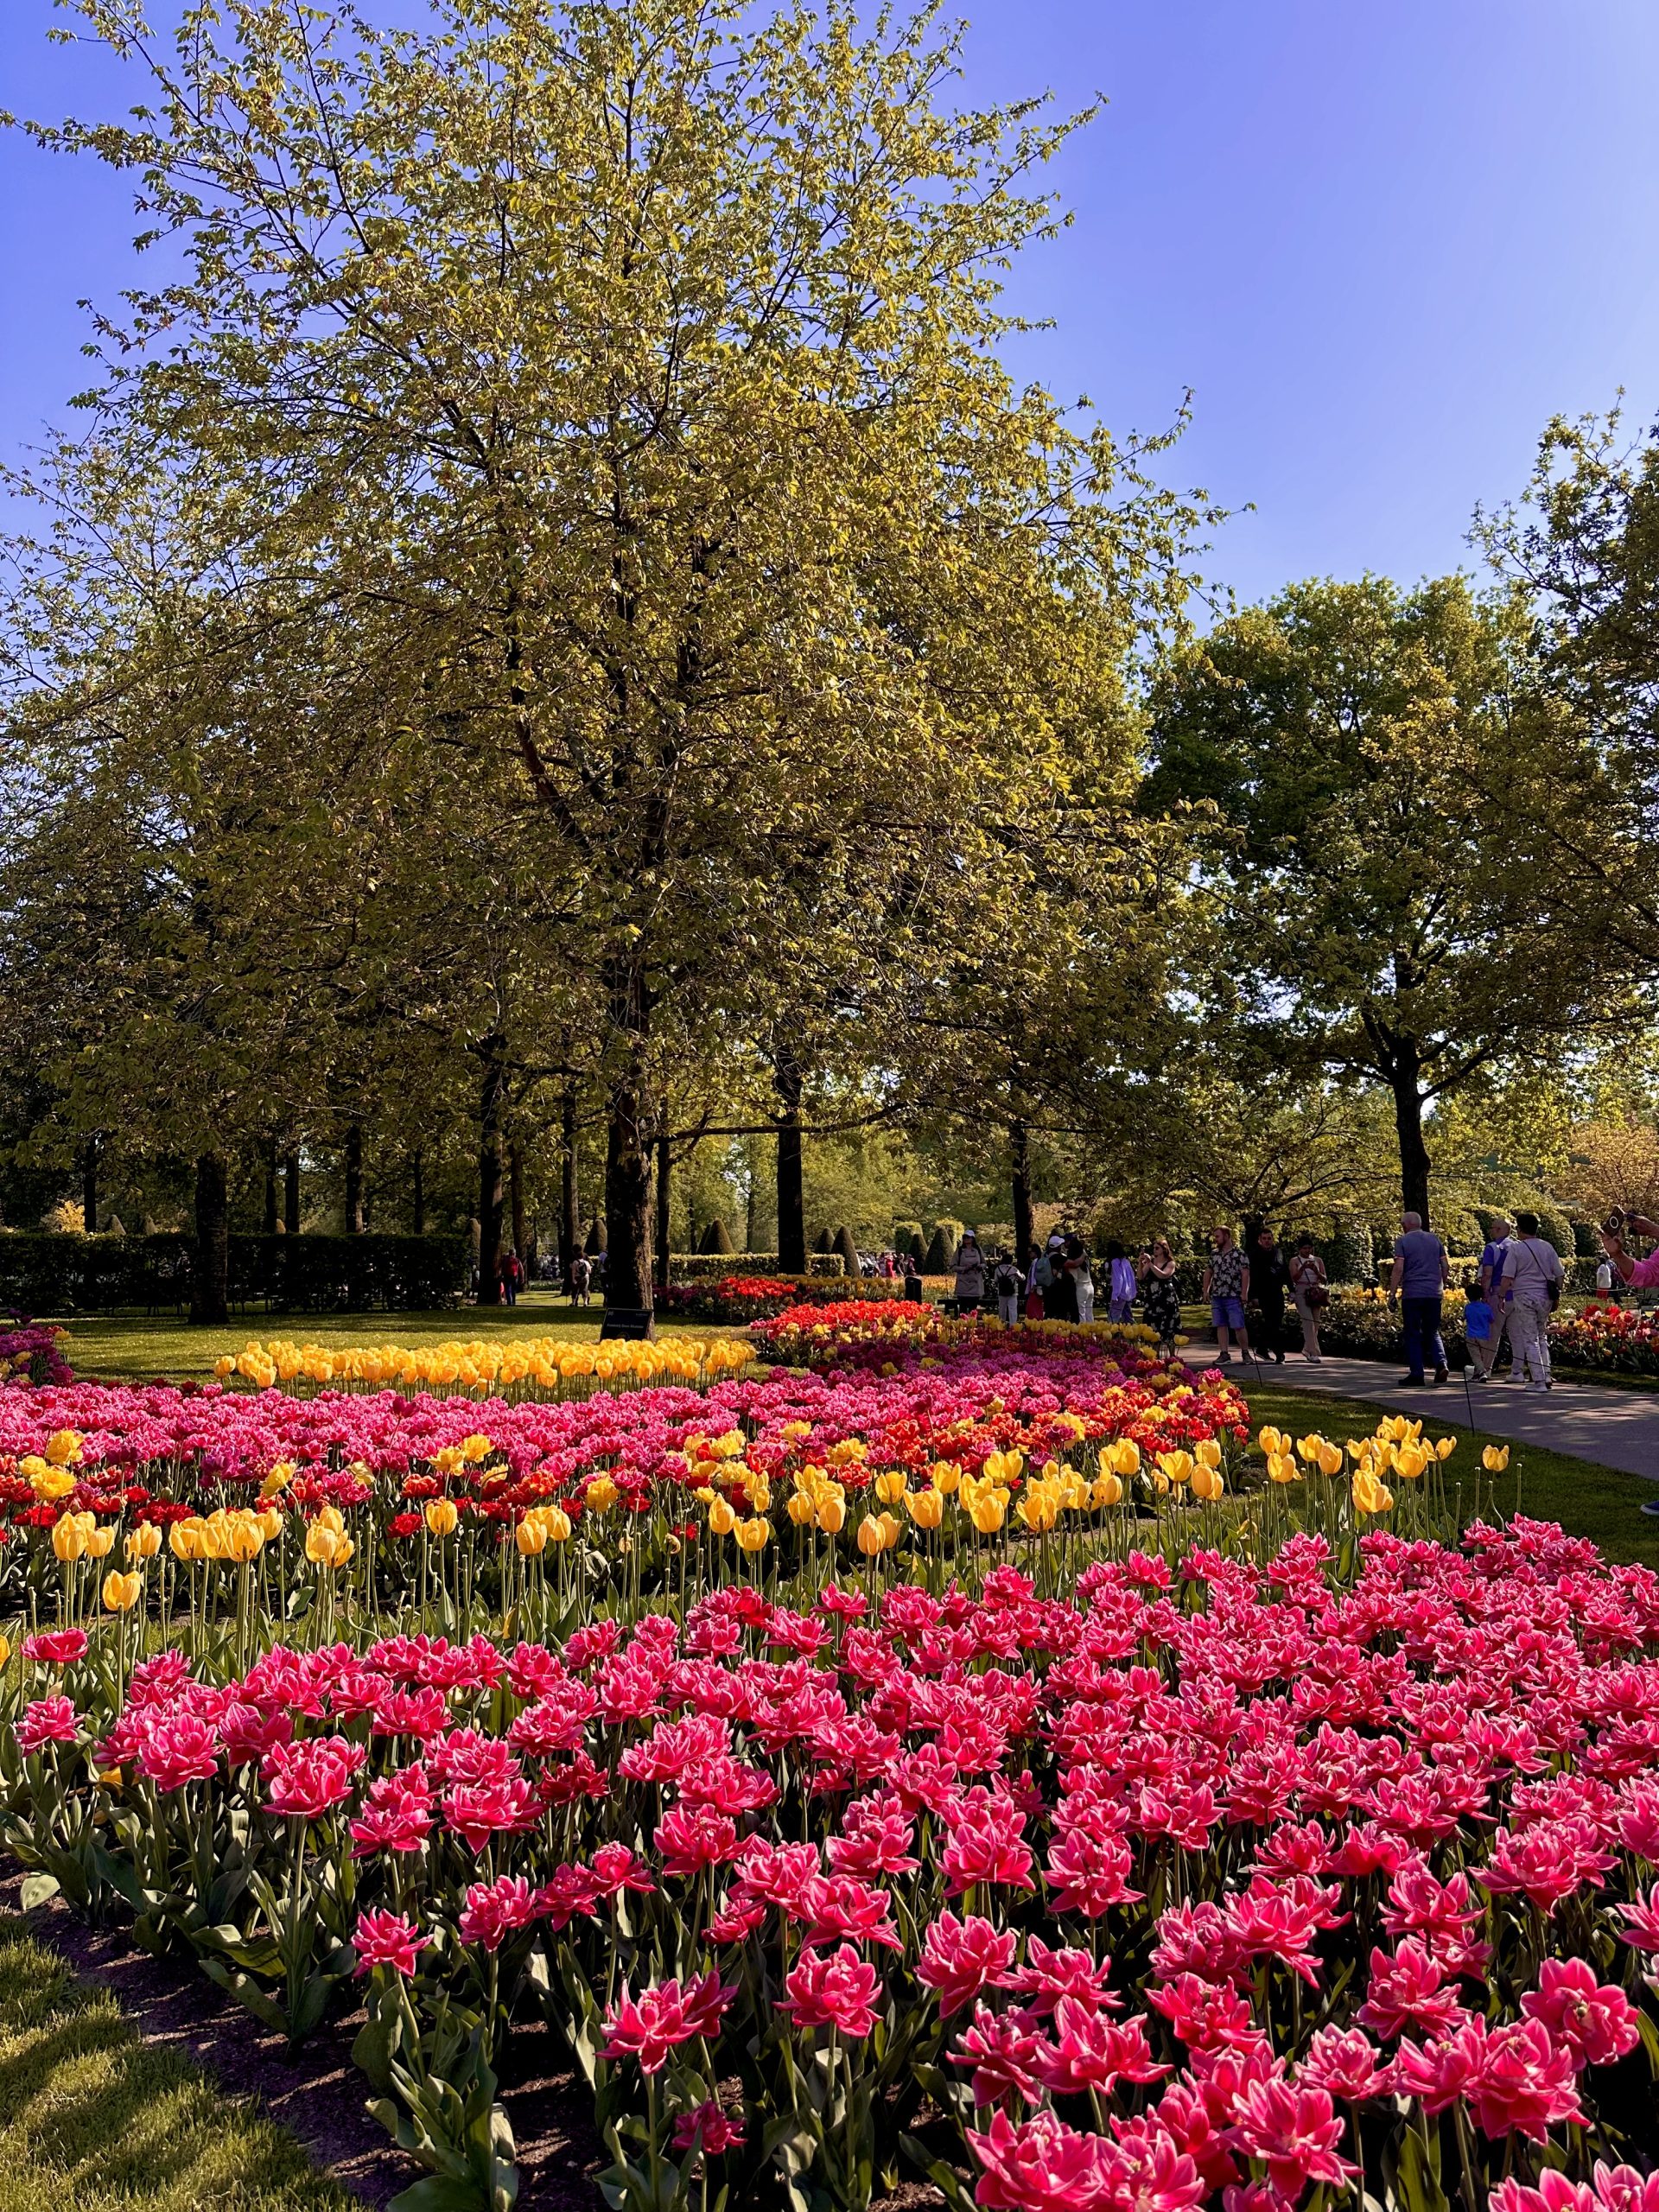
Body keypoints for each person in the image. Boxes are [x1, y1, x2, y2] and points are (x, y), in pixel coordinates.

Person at [1501, 1211, 1564, 1393]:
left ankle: (1539, 1381)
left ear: (1520, 1229)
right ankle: (1547, 1374)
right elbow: (1559, 1274)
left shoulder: (1516, 1249)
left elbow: (1507, 1277)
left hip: (1524, 1295)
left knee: (1530, 1339)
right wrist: (1556, 1295)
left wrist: (1501, 1296)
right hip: (1545, 1297)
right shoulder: (1547, 1246)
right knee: (1541, 1335)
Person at [1389, 1211, 1450, 1386]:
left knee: (1413, 1333)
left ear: (1404, 1225)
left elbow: (1399, 1268)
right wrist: (1442, 1284)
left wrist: (1392, 1293)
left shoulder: (1402, 1241)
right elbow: (1445, 1265)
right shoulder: (1435, 1239)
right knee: (1432, 1330)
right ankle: (1441, 1363)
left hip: (1413, 1293)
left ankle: (1417, 1374)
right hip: (1434, 1294)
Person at [1202, 1225, 1250, 1363]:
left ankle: (1245, 1353)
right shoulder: (1214, 1254)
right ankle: (1224, 1353)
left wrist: (1244, 1293)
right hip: (1218, 1295)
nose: (1215, 1239)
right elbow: (1209, 1272)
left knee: (1238, 1325)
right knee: (1220, 1324)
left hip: (1234, 1295)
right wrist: (1206, 1290)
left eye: (1218, 1236)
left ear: (1227, 1236)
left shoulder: (1239, 1254)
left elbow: (1245, 1273)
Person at [1478, 1216, 1515, 1381]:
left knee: (1493, 1334)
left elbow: (1487, 1273)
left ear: (1499, 1230)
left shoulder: (1492, 1248)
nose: (1491, 1231)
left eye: (1492, 1228)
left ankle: (1486, 1369)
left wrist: (1484, 1293)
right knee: (1518, 1336)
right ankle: (1519, 1370)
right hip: (1517, 1295)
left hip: (1497, 1294)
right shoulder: (1518, 1247)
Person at [1249, 1226, 1289, 1365]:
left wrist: (1292, 1290)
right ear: (1260, 1240)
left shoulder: (1278, 1252)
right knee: (1272, 1323)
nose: (1267, 1241)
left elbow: (1285, 1271)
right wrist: (1253, 1296)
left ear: (1273, 1239)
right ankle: (1279, 1353)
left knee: (1276, 1322)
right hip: (1263, 1293)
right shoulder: (1254, 1255)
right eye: (1264, 1239)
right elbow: (1252, 1277)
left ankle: (1262, 1348)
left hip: (1277, 1292)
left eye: (1269, 1238)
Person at [1287, 1235, 1327, 1363]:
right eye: (1304, 1248)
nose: (1307, 1250)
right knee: (1308, 1321)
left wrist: (1316, 1271)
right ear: (1300, 1249)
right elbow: (1294, 1278)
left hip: (1315, 1292)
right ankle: (1313, 1353)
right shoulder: (1294, 1261)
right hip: (1301, 1291)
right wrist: (1303, 1268)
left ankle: (1306, 1348)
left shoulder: (1318, 1260)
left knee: (1315, 1323)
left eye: (1309, 1248)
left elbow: (1324, 1279)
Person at [1139, 1238, 1181, 1356]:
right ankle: (1155, 1354)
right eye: (1154, 1248)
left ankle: (1172, 1356)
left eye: (1157, 1248)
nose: (1154, 1250)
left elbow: (1162, 1275)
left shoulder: (1170, 1263)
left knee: (1169, 1326)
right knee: (1153, 1327)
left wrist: (1150, 1264)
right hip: (1152, 1298)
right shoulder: (1152, 1262)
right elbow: (1141, 1277)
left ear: (1164, 1249)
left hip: (1166, 1298)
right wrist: (1141, 1263)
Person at [1461, 1268, 1497, 1379]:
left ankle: (1481, 1373)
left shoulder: (1468, 1307)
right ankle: (1479, 1373)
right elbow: (1492, 1319)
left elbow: (1465, 1317)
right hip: (1484, 1336)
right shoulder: (1486, 1307)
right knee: (1483, 1356)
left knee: (1475, 1356)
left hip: (1471, 1335)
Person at [1046, 1232, 1079, 1324]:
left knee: (1052, 1315)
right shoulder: (1058, 1258)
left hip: (1050, 1290)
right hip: (1062, 1291)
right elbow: (1074, 1264)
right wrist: (1083, 1256)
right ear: (1058, 1246)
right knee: (1063, 1315)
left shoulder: (1046, 1257)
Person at [953, 1230, 987, 1314]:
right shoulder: (959, 1250)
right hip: (963, 1284)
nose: (966, 1239)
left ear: (973, 1238)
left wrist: (979, 1267)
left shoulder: (978, 1249)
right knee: (963, 1311)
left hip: (975, 1284)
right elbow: (953, 1266)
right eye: (964, 1237)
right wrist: (964, 1268)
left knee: (973, 1311)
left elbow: (984, 1264)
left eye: (968, 1237)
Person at [1103, 1241, 1136, 1325]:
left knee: (1113, 1317)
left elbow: (1119, 1279)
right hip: (1128, 1293)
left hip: (1119, 1294)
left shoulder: (1114, 1262)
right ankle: (1133, 1332)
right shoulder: (1126, 1262)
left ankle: (1112, 1332)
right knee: (1128, 1317)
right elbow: (1131, 1277)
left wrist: (1115, 1295)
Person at [1067, 1236, 1096, 1325]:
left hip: (1081, 1288)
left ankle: (1083, 1331)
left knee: (1081, 1313)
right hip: (1090, 1286)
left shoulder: (1074, 1263)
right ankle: (1092, 1331)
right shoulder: (1085, 1261)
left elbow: (1074, 1278)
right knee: (1089, 1313)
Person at [992, 1249, 1023, 1325]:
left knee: (1002, 1309)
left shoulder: (998, 1269)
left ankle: (1001, 1325)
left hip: (1002, 1292)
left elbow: (996, 1280)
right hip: (1012, 1292)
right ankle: (1013, 1325)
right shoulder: (1014, 1269)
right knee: (1013, 1309)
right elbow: (1021, 1278)